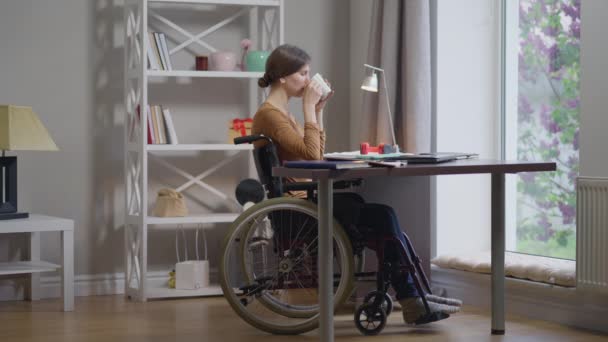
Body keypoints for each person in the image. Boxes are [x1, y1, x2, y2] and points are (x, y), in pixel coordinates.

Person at [251, 44, 461, 324]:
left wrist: (319, 110)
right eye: (303, 74)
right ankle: (412, 297)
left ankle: (415, 294)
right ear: (283, 78)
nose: (308, 80)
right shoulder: (271, 115)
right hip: (298, 208)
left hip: (304, 201)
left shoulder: (280, 114)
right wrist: (308, 108)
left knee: (375, 212)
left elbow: (315, 153)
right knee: (382, 215)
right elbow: (313, 155)